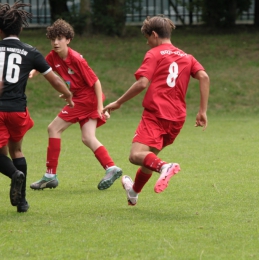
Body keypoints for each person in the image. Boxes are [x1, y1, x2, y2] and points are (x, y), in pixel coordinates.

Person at [103, 15, 210, 206]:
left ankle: (165, 167)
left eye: (147, 39)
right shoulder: (187, 57)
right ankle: (133, 192)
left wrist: (119, 102)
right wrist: (202, 111)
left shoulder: (154, 54)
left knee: (135, 155)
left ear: (154, 34)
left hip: (156, 114)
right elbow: (204, 77)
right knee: (148, 158)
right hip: (176, 118)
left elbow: (142, 82)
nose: (147, 43)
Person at [30, 19, 122, 191]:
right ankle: (111, 167)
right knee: (87, 137)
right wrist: (32, 72)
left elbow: (95, 82)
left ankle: (50, 175)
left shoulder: (76, 59)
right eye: (53, 39)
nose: (56, 42)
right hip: (81, 98)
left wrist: (100, 108)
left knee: (53, 128)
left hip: (87, 99)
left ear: (68, 39)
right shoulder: (53, 56)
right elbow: (43, 65)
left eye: (59, 38)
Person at [0, 1, 74, 213]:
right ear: (20, 28)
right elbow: (56, 80)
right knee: (17, 150)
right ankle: (22, 201)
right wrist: (68, 95)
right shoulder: (30, 52)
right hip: (18, 111)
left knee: (2, 156)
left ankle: (14, 175)